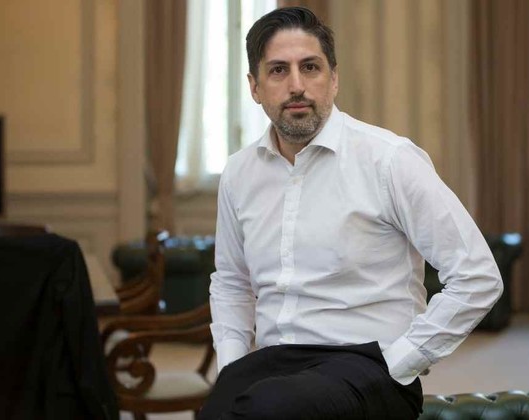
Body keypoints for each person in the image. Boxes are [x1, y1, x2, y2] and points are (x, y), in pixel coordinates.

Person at [198, 6, 503, 420]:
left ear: (334, 79)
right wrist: (233, 371)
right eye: (278, 71)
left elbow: (477, 276)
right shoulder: (239, 173)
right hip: (274, 365)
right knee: (225, 408)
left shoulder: (390, 160)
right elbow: (232, 283)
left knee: (269, 407)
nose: (297, 86)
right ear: (255, 86)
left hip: (365, 366)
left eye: (310, 67)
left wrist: (400, 362)